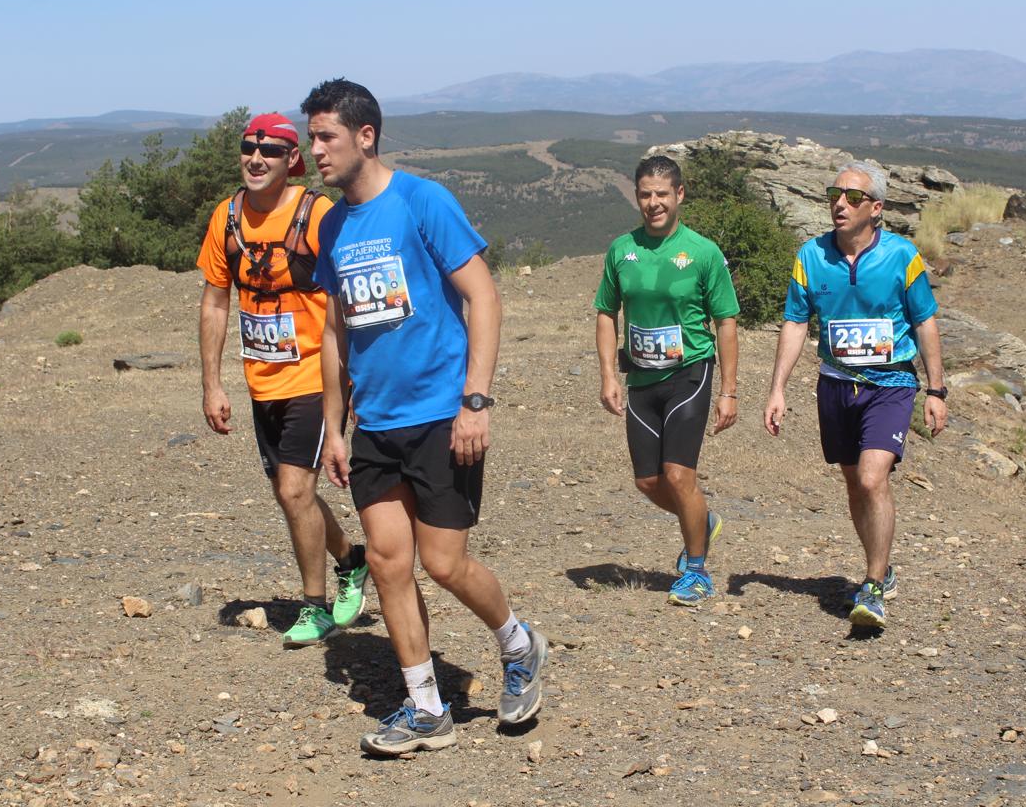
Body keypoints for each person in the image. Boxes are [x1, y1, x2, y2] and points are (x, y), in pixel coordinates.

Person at [303, 79, 547, 756]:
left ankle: (520, 644)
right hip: (375, 423)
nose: (314, 150)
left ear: (366, 136)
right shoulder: (331, 223)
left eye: (326, 136)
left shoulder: (421, 202)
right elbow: (335, 330)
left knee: (444, 562)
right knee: (386, 560)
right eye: (312, 136)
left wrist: (476, 401)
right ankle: (425, 708)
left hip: (442, 413)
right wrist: (334, 425)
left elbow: (484, 298)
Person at [197, 112, 369, 648]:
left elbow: (351, 296)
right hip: (261, 380)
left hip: (317, 377)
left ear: (291, 160)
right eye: (249, 147)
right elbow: (215, 302)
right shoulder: (226, 219)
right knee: (288, 492)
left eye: (270, 150)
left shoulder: (318, 215)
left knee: (296, 489)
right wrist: (212, 383)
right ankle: (351, 558)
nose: (256, 158)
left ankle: (313, 607)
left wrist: (357, 380)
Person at [762, 161, 948, 628]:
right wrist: (777, 388)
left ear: (877, 208)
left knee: (871, 478)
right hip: (836, 383)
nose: (840, 203)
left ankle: (873, 584)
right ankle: (881, 568)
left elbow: (924, 320)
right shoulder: (811, 255)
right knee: (852, 483)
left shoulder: (902, 256)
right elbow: (795, 322)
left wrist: (937, 388)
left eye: (853, 197)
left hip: (891, 383)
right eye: (835, 194)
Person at [594, 155, 740, 607]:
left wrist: (729, 391)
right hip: (641, 376)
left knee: (679, 475)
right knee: (647, 482)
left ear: (679, 195)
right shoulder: (622, 249)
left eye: (661, 194)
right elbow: (606, 312)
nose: (653, 203)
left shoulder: (702, 252)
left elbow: (726, 321)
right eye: (645, 194)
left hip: (689, 372)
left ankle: (696, 571)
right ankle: (702, 519)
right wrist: (606, 376)